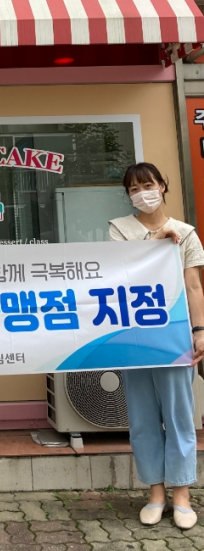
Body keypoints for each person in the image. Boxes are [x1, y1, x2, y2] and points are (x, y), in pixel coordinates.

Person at [109, 162, 204, 530]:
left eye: (148, 185)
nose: (142, 193)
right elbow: (122, 274)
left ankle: (182, 493)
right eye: (134, 189)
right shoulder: (119, 229)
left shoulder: (187, 232)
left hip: (175, 336)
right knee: (143, 417)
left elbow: (193, 285)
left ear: (163, 186)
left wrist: (200, 330)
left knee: (179, 414)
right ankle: (156, 492)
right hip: (134, 336)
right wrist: (156, 241)